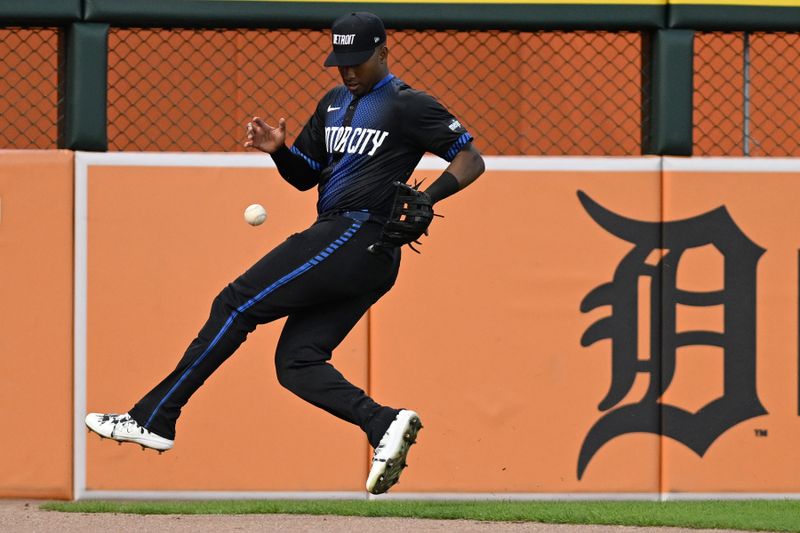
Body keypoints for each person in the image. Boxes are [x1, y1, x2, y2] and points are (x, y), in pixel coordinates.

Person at [85, 11, 484, 495]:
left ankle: (154, 416)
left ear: (383, 52)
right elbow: (304, 176)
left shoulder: (407, 105)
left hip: (357, 234)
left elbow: (469, 157)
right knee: (297, 362)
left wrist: (430, 196)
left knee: (235, 303)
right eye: (341, 62)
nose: (348, 72)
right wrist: (279, 150)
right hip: (358, 248)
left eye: (358, 61)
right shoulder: (334, 102)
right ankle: (383, 422)